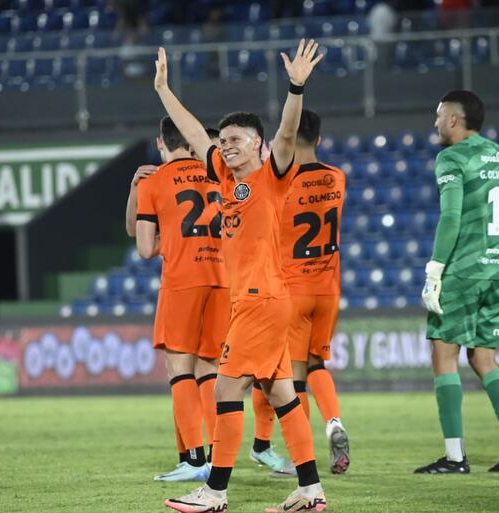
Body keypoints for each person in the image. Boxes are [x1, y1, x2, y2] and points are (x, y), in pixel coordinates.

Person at [154, 39, 328, 512]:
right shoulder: (225, 179)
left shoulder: (273, 175)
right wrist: (164, 90)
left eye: (237, 140)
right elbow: (195, 134)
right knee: (282, 394)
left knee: (226, 389)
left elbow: (287, 134)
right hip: (260, 300)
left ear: (258, 145)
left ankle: (214, 493)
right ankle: (311, 490)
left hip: (260, 300)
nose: (227, 146)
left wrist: (295, 88)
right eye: (225, 140)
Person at [415, 90, 499, 474]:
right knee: (484, 358)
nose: (435, 123)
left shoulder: (452, 157)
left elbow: (451, 218)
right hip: (497, 269)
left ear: (453, 119)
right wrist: (492, 256)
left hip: (462, 271)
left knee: (443, 355)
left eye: (438, 116)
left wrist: (435, 271)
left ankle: (454, 457)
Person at [135, 116, 230, 482]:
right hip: (221, 279)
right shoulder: (217, 174)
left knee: (179, 370)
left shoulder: (153, 181)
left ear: (161, 143)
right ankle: (219, 456)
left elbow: (145, 248)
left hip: (182, 280)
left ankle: (193, 459)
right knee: (209, 370)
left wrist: (172, 240)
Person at [281, 109, 350, 475]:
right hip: (328, 289)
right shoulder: (337, 177)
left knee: (294, 378)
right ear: (319, 139)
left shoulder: (281, 184)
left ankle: (301, 458)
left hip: (294, 289)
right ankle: (334, 421)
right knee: (317, 364)